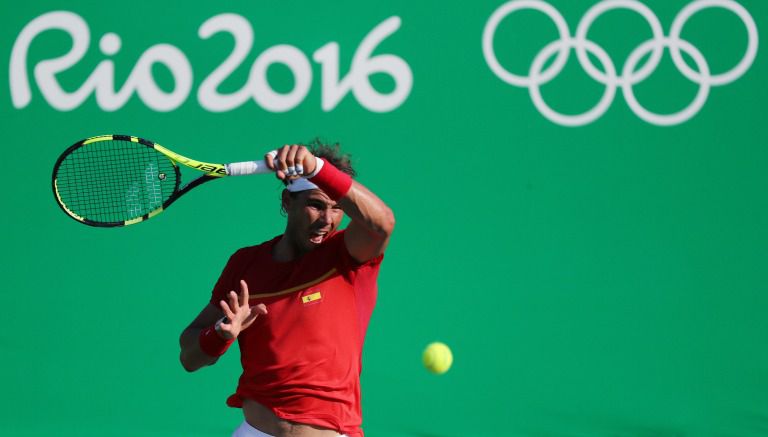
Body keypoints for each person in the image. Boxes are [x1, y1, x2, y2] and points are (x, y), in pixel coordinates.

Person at [179, 141, 395, 437]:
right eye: (316, 205)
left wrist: (317, 169)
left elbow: (382, 223)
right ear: (286, 202)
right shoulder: (245, 264)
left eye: (336, 208)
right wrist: (218, 334)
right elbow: (189, 357)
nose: (327, 220)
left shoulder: (347, 255)